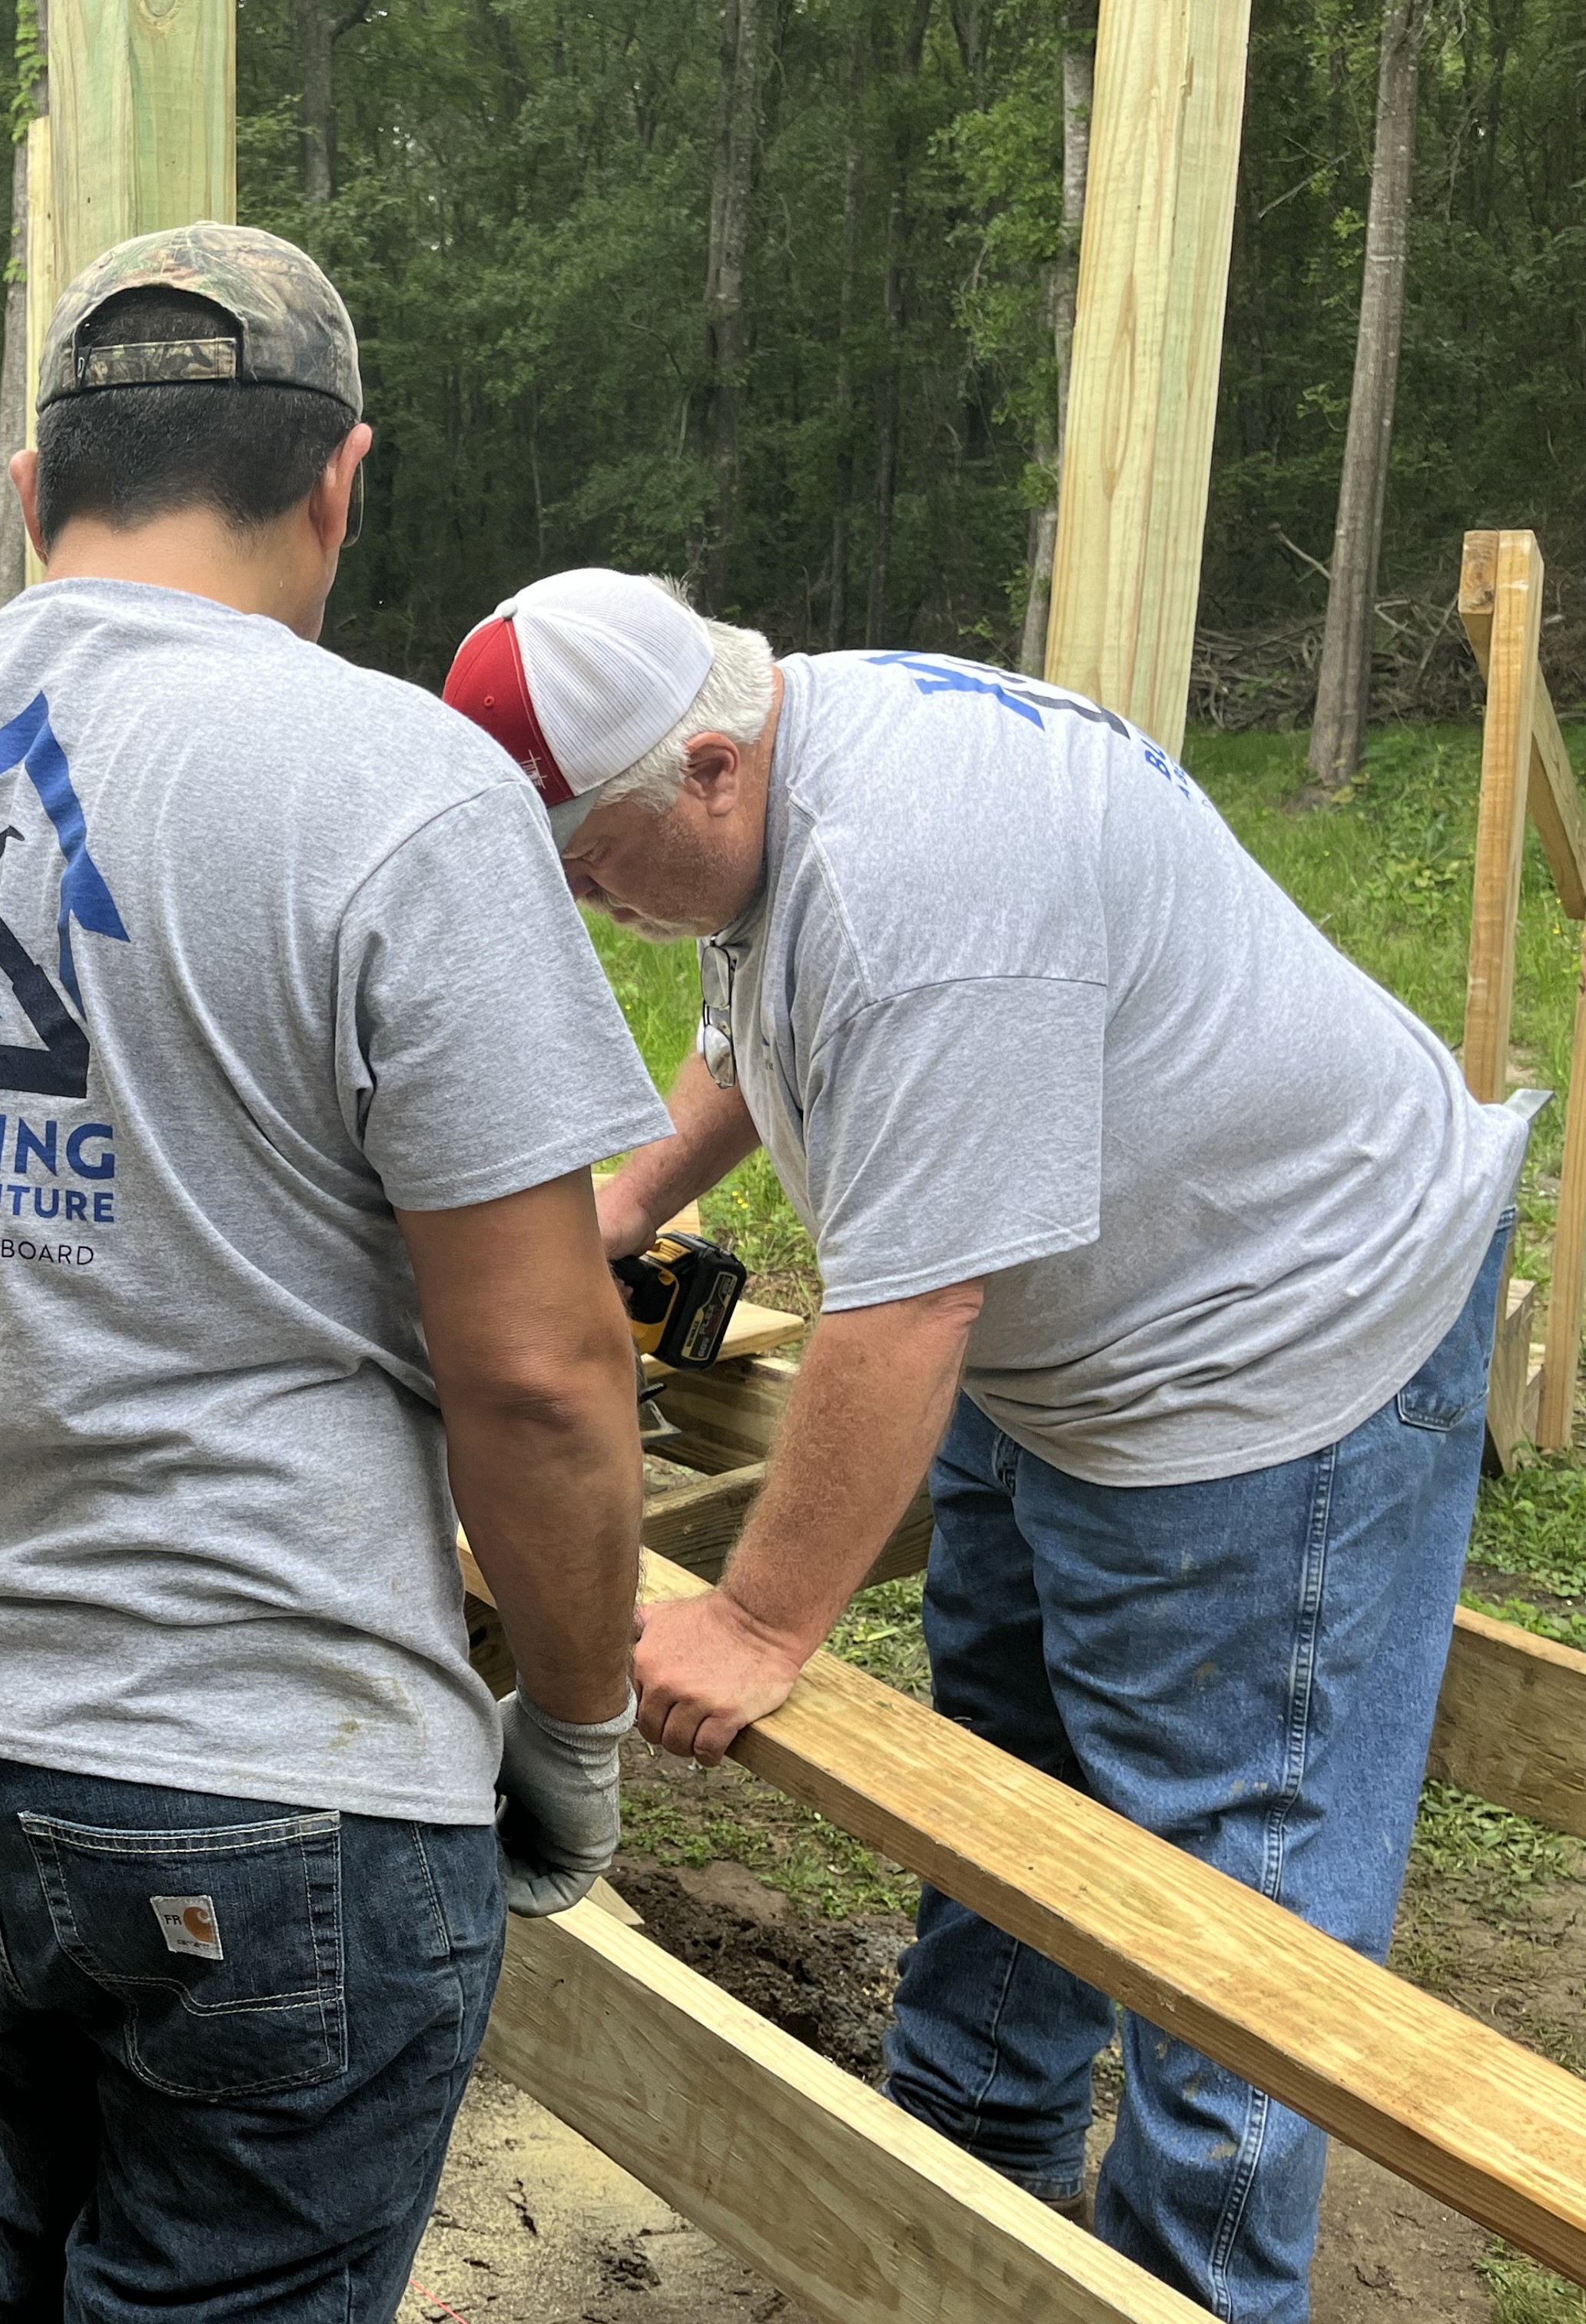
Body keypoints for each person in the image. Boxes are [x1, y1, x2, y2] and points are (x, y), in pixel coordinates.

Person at [0, 224, 671, 2319]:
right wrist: (578, 1733)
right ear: (339, 481)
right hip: (282, 1772)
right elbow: (537, 1369)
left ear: (34, 490)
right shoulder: (399, 792)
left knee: (55, 2247)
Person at [442, 568, 1528, 2324]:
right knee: (1014, 1769)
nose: (583, 893)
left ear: (707, 766)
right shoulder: (789, 759)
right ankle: (967, 2178)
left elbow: (905, 1308)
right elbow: (762, 1025)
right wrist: (623, 1201)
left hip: (1266, 1345)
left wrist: (767, 1618)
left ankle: (1194, 2289)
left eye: (588, 855)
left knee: (1227, 1895)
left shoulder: (917, 883)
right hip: (1084, 1329)